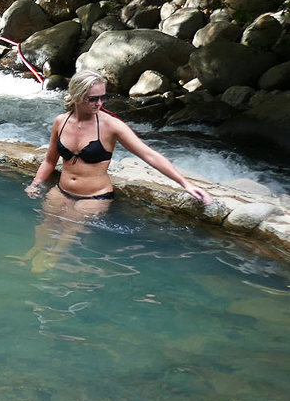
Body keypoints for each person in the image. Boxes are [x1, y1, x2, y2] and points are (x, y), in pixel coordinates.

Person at [19, 70, 212, 269]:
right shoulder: (61, 121)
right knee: (45, 223)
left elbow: (149, 154)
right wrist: (35, 183)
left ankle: (52, 261)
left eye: (103, 97)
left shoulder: (111, 126)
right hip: (62, 190)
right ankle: (32, 254)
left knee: (70, 227)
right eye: (92, 99)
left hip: (93, 197)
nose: (99, 103)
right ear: (77, 96)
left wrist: (185, 183)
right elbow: (50, 160)